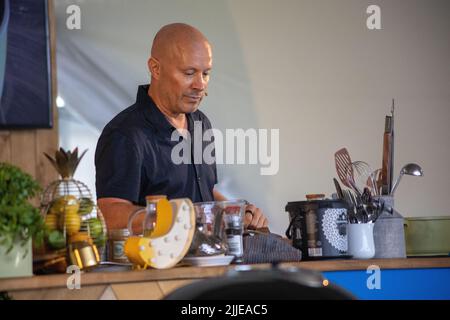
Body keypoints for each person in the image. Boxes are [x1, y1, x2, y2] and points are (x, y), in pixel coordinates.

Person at [95, 23, 268, 233]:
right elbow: (110, 213)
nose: (200, 85)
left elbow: (204, 194)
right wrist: (177, 218)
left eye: (205, 73)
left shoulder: (201, 123)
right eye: (189, 73)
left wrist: (236, 211)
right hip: (156, 263)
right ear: (155, 68)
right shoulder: (124, 134)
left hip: (209, 259)